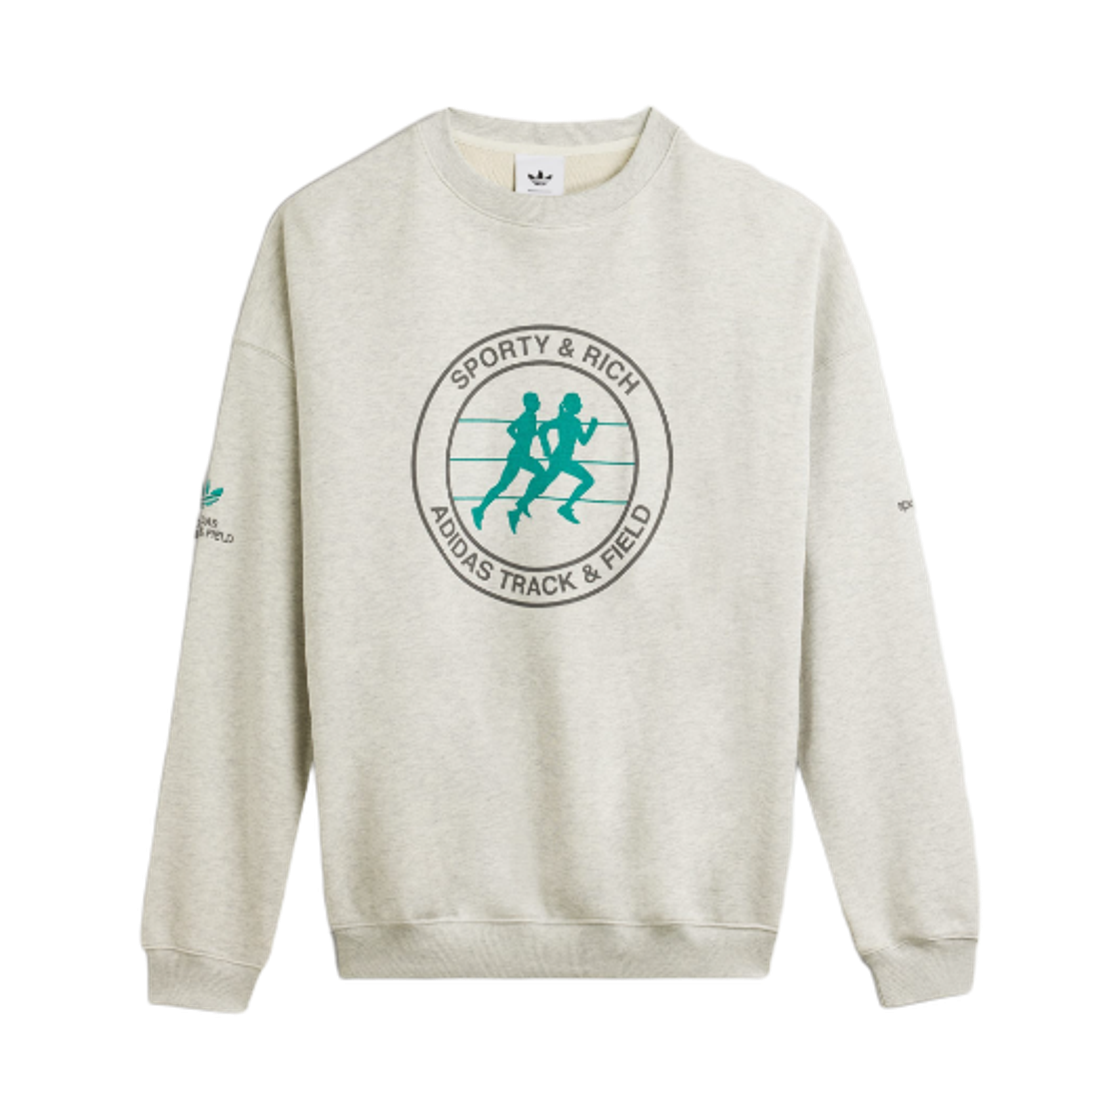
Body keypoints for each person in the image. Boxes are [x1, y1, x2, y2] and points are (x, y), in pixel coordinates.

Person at [509, 392, 599, 533]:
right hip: (560, 459)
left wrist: (592, 427)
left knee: (543, 484)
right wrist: (547, 450)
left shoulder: (573, 421)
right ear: (569, 405)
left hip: (563, 459)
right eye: (576, 403)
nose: (579, 406)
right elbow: (543, 428)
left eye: (579, 403)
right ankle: (564, 507)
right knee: (586, 480)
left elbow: (583, 441)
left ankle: (519, 508)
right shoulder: (564, 419)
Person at [471, 393, 548, 530]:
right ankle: (482, 509)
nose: (538, 403)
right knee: (537, 475)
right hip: (518, 456)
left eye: (538, 401)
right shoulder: (527, 417)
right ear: (527, 403)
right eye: (535, 401)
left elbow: (513, 429)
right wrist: (521, 440)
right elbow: (513, 430)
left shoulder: (531, 416)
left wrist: (527, 436)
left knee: (505, 484)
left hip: (521, 455)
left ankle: (482, 509)